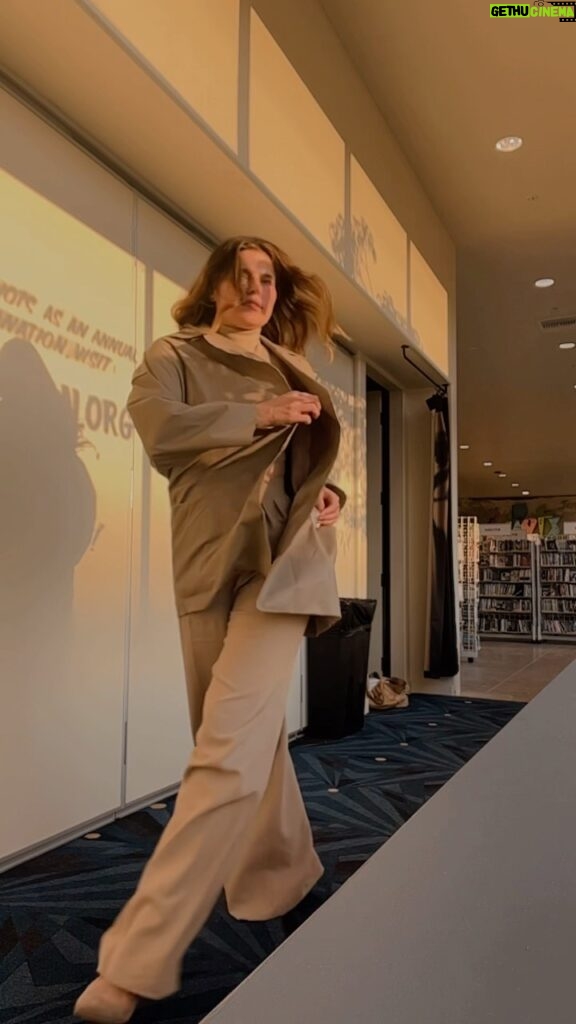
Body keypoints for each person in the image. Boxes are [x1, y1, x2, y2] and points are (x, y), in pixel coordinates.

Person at [74, 236, 345, 1023]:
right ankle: (286, 878)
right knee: (238, 735)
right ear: (217, 284)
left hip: (283, 570)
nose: (259, 288)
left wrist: (331, 500)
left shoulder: (297, 367)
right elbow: (160, 431)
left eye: (270, 279)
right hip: (205, 567)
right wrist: (256, 412)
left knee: (226, 748)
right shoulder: (174, 355)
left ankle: (134, 959)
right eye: (246, 275)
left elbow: (312, 465)